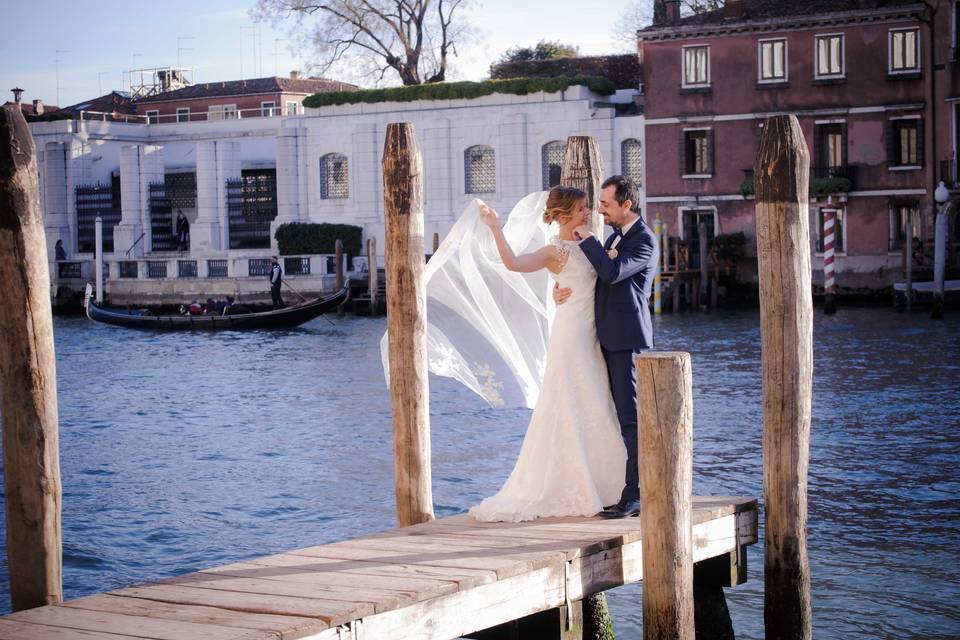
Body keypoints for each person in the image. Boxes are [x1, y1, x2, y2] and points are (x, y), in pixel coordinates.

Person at [467, 186, 629, 522]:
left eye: (589, 208)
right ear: (566, 212)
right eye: (583, 208)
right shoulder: (554, 251)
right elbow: (512, 264)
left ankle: (611, 484)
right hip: (571, 333)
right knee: (570, 400)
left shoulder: (591, 242)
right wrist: (495, 227)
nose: (589, 213)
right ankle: (576, 484)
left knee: (596, 401)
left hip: (593, 332)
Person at [554, 175, 658, 519]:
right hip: (602, 338)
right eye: (598, 203)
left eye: (606, 204)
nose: (600, 210)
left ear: (627, 205)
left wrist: (587, 240)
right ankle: (617, 487)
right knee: (611, 416)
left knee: (631, 419)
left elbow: (612, 273)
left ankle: (635, 494)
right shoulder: (615, 237)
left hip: (626, 341)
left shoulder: (643, 241)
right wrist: (558, 291)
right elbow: (592, 278)